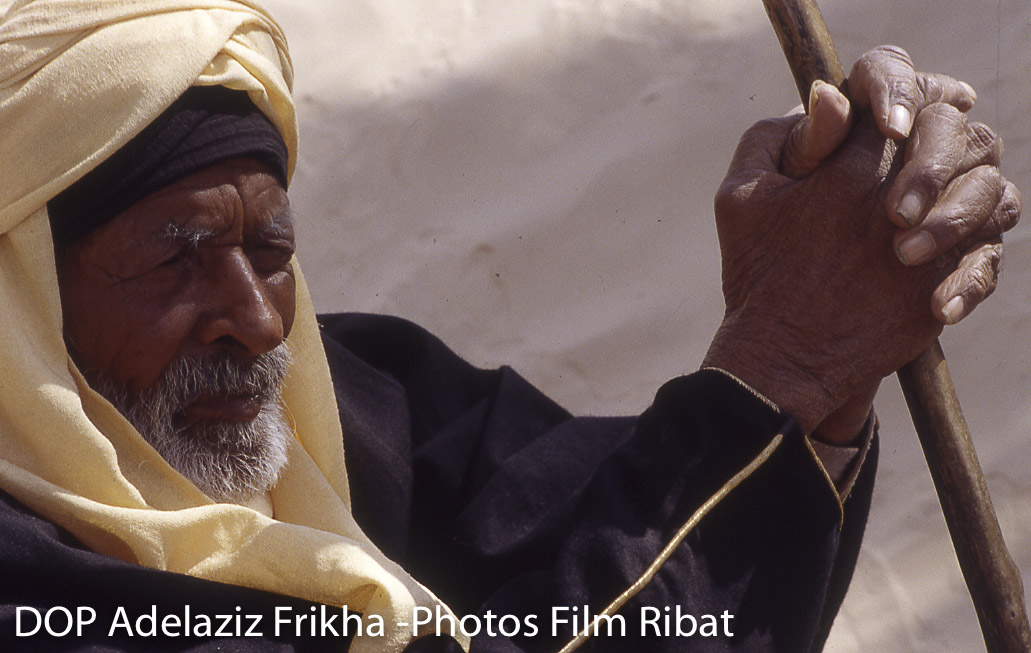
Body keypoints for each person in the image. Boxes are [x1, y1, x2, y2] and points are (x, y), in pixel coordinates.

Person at [0, 2, 1019, 652]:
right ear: (23, 302)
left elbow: (606, 527)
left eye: (271, 248)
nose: (260, 318)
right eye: (175, 256)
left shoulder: (345, 404)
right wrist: (783, 359)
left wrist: (831, 317)